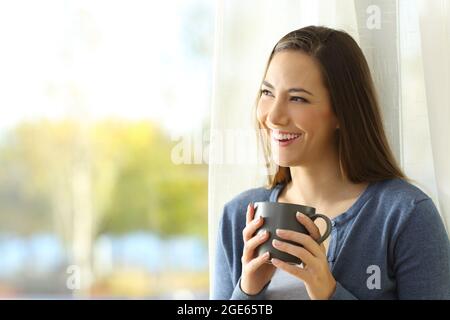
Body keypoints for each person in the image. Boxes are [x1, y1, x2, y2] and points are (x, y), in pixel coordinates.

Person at [211, 26, 450, 300]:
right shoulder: (238, 215)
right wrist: (247, 292)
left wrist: (330, 293)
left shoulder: (406, 216)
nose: (274, 116)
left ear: (341, 112)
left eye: (298, 98)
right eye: (267, 93)